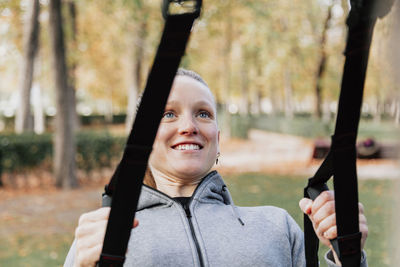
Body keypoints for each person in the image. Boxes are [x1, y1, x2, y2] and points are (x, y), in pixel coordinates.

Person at [64, 69, 368, 267]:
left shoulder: (276, 227)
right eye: (168, 114)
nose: (189, 126)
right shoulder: (102, 238)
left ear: (217, 139)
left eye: (203, 114)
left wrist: (347, 253)